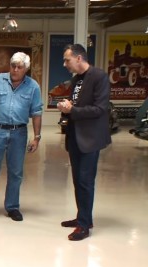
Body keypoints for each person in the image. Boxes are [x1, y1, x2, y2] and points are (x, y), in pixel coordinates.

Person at [0, 52, 43, 222]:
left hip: (19, 133)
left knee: (16, 172)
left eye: (20, 67)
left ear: (26, 69)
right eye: (13, 65)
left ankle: (12, 207)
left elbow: (36, 112)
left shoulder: (33, 87)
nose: (15, 70)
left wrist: (37, 137)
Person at [57, 44, 111, 241]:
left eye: (67, 60)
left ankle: (83, 226)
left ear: (79, 58)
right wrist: (67, 106)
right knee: (77, 181)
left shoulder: (99, 77)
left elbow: (100, 109)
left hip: (90, 138)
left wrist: (72, 110)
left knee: (86, 181)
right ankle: (83, 218)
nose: (65, 64)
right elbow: (77, 105)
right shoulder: (76, 80)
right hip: (75, 137)